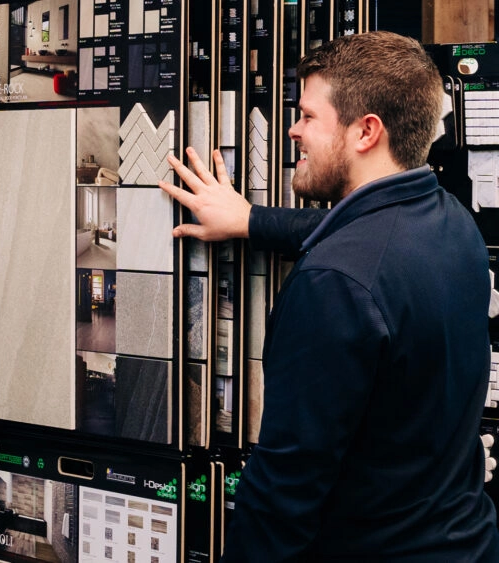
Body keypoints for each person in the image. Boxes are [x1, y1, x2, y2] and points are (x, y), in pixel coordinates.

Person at [160, 31, 499, 561]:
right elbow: (361, 234)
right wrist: (248, 219)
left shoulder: (335, 284)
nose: (291, 130)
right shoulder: (451, 223)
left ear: (366, 131)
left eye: (307, 116)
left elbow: (282, 494)